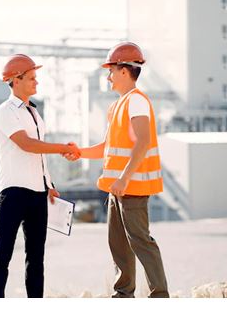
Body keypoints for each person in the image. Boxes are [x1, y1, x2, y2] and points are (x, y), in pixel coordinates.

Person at [66, 42, 169, 298]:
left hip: (131, 187)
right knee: (119, 245)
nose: (108, 77)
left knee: (141, 242)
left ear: (125, 71)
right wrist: (80, 152)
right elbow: (108, 146)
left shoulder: (136, 102)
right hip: (118, 189)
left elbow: (143, 141)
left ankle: (160, 297)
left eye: (111, 71)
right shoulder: (119, 105)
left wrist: (124, 179)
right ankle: (123, 295)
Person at [0, 54, 80, 298]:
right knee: (2, 256)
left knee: (36, 259)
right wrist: (62, 148)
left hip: (38, 194)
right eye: (31, 78)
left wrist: (49, 184)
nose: (36, 83)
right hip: (13, 192)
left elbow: (39, 155)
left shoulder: (34, 113)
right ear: (16, 80)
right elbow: (27, 145)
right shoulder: (5, 111)